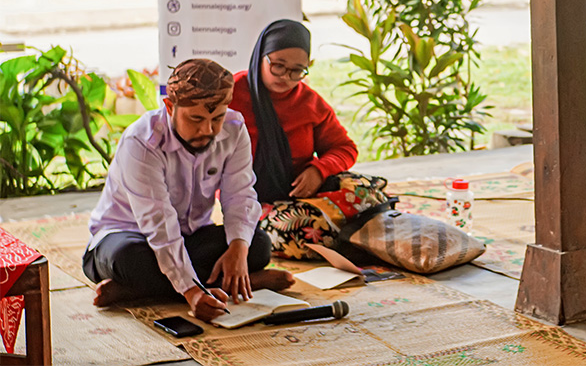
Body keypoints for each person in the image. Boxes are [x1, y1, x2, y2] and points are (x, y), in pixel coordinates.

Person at [83, 59, 293, 322]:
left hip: (191, 236)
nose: (208, 130)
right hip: (126, 237)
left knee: (257, 245)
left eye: (216, 118)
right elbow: (158, 223)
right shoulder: (142, 141)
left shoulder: (234, 129)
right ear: (170, 107)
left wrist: (238, 249)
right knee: (130, 260)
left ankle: (134, 291)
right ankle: (242, 282)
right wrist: (192, 293)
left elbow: (240, 194)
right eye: (196, 119)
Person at [230, 19, 386, 260]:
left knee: (366, 194)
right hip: (250, 201)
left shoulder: (310, 102)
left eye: (297, 70)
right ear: (260, 56)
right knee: (297, 229)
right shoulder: (231, 95)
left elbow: (344, 148)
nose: (286, 77)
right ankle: (354, 237)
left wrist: (319, 170)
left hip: (302, 195)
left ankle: (350, 234)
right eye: (278, 66)